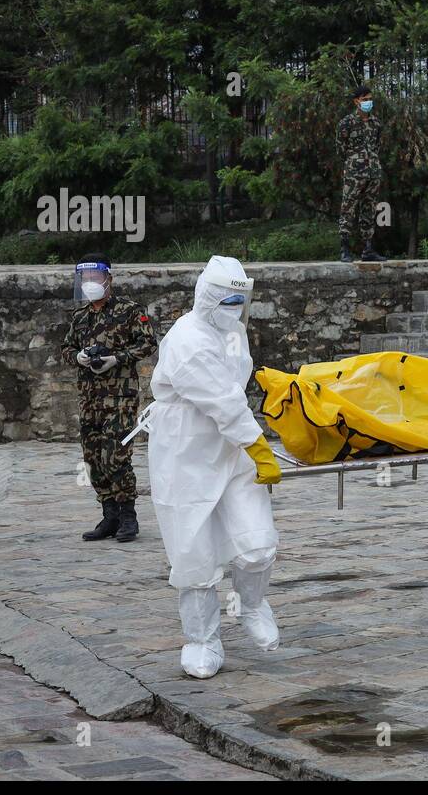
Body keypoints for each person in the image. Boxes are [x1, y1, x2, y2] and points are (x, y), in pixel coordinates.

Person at [147, 256, 283, 679]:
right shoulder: (186, 338)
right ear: (205, 296)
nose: (232, 307)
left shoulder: (234, 331)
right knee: (195, 554)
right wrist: (259, 446)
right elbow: (222, 401)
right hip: (185, 451)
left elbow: (234, 393)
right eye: (225, 299)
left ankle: (253, 603)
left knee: (257, 540)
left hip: (232, 446)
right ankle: (202, 640)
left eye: (239, 300)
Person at [61, 253, 158, 543]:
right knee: (92, 459)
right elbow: (66, 347)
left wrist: (117, 358)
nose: (90, 283)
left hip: (120, 399)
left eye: (95, 278)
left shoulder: (129, 311)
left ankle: (129, 515)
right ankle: (110, 515)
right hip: (89, 400)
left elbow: (148, 343)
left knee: (115, 456)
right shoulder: (80, 317)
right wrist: (78, 357)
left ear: (108, 279)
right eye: (86, 279)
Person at [336, 84, 386, 263]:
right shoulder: (346, 123)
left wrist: (372, 163)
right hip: (354, 174)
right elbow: (340, 149)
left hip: (373, 173)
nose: (368, 102)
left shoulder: (376, 123)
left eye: (370, 99)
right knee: (348, 208)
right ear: (356, 101)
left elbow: (378, 146)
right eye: (365, 100)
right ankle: (345, 249)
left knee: (369, 209)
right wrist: (353, 163)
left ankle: (368, 249)